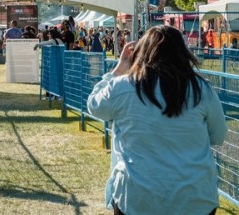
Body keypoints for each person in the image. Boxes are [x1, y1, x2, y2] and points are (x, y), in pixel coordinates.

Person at [87, 25, 227, 214]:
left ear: (142, 52)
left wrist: (117, 71)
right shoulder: (201, 89)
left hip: (137, 197)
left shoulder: (122, 87)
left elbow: (95, 106)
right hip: (195, 198)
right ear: (183, 53)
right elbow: (218, 136)